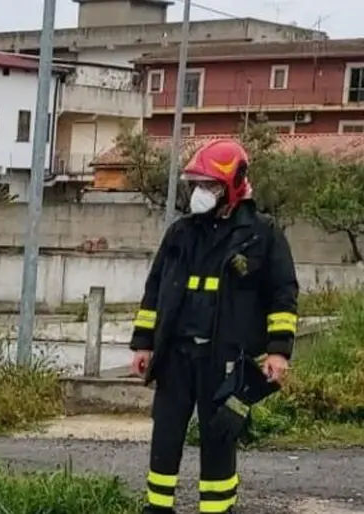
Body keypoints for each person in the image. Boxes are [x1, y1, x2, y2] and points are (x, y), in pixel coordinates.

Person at [129, 139, 298, 514]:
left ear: (234, 185)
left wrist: (278, 351)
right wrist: (143, 343)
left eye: (210, 186)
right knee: (166, 434)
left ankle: (217, 510)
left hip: (224, 356)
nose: (200, 194)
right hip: (176, 353)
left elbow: (282, 295)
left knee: (219, 437)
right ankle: (157, 508)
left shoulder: (262, 234)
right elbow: (155, 288)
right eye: (197, 185)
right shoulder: (181, 233)